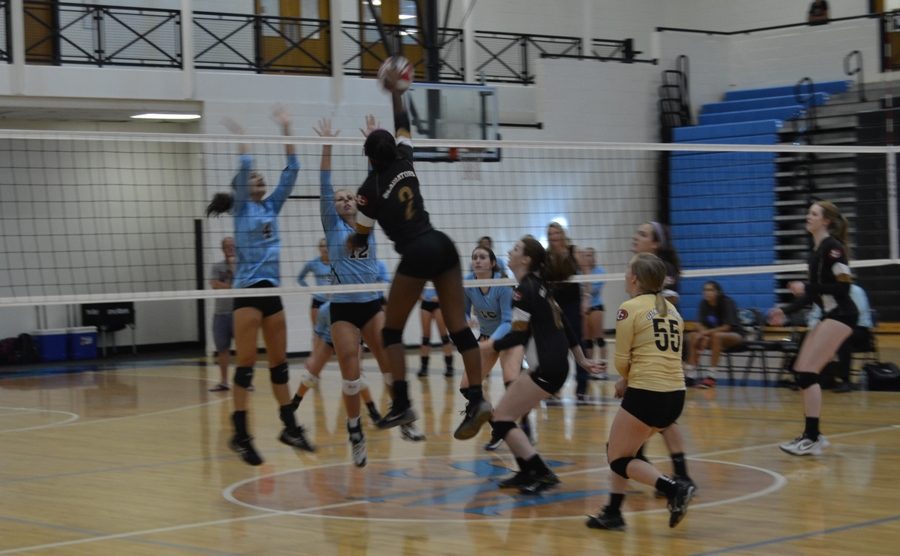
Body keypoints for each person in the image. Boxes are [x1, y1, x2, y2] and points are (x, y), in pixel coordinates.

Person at [351, 80, 491, 440]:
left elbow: (361, 235)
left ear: (369, 157)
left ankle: (402, 402)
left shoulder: (367, 190)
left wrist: (352, 236)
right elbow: (403, 125)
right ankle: (477, 398)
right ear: (390, 150)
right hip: (442, 243)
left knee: (391, 331)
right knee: (459, 328)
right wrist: (397, 91)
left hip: (416, 250)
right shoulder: (405, 160)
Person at [206, 107, 313, 466]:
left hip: (272, 292)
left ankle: (289, 426)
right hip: (248, 292)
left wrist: (287, 127)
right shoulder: (240, 210)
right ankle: (240, 434)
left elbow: (292, 171)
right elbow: (244, 167)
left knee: (280, 365)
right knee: (247, 365)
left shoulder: (271, 207)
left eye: (260, 177)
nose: (259, 179)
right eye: (253, 177)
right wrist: (244, 140)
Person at [309, 116, 408, 466]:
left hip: (371, 303)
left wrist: (373, 145)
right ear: (333, 207)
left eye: (350, 197)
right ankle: (355, 429)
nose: (347, 200)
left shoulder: (369, 218)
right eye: (341, 199)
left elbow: (377, 180)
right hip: (343, 309)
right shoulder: (332, 226)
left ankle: (401, 411)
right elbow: (324, 183)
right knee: (351, 367)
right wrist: (327, 146)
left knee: (388, 357)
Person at [586, 253, 695, 531]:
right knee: (621, 450)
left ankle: (673, 488)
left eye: (626, 269)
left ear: (634, 278)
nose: (624, 274)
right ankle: (612, 511)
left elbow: (621, 360)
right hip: (675, 395)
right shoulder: (672, 310)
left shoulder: (629, 308)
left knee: (619, 458)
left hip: (648, 393)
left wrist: (624, 379)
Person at [485, 236, 603, 493]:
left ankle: (540, 472)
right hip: (556, 367)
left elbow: (518, 335)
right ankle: (527, 471)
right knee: (505, 416)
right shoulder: (540, 286)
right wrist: (581, 360)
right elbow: (568, 327)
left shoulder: (523, 290)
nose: (509, 251)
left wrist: (487, 347)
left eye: (515, 249)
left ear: (525, 259)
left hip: (546, 369)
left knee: (501, 418)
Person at [768, 201, 857, 456]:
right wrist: (784, 311)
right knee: (803, 373)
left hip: (844, 313)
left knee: (807, 371)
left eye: (813, 214)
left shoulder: (834, 249)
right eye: (808, 213)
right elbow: (810, 297)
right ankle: (812, 434)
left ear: (826, 221)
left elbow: (844, 287)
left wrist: (808, 288)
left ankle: (812, 436)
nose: (808, 217)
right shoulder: (815, 252)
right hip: (831, 314)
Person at [631, 221, 696, 491]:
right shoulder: (645, 269)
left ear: (655, 244)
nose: (637, 237)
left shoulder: (663, 269)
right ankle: (644, 457)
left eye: (643, 234)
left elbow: (669, 303)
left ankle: (677, 474)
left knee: (660, 414)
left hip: (662, 347)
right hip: (653, 347)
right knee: (656, 414)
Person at [460, 245, 523, 450]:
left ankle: (522, 428)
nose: (477, 260)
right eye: (475, 257)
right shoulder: (469, 282)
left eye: (482, 257)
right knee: (467, 386)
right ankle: (497, 425)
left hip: (508, 338)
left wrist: (490, 344)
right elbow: (464, 312)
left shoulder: (502, 284)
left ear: (492, 263)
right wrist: (467, 320)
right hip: (487, 338)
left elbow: (506, 321)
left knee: (510, 382)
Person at [291, 301, 383, 425]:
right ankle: (293, 405)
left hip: (351, 342)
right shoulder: (324, 309)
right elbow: (318, 334)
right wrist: (313, 356)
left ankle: (373, 412)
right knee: (310, 376)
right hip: (329, 340)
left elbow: (363, 329)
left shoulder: (358, 304)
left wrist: (360, 352)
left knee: (358, 378)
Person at [545, 222, 590, 402]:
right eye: (550, 234)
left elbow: (587, 272)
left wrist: (586, 297)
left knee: (578, 343)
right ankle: (555, 388)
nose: (554, 236)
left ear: (562, 234)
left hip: (573, 303)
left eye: (556, 233)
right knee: (557, 346)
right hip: (554, 303)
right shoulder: (546, 256)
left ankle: (582, 388)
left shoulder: (573, 251)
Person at [806, 283, 874, 393]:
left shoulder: (855, 291)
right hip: (833, 328)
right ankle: (819, 378)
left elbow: (856, 315)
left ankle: (845, 380)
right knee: (810, 337)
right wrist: (815, 329)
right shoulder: (823, 292)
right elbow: (814, 315)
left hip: (858, 329)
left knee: (842, 339)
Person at [684, 281, 745, 389]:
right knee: (693, 336)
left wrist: (704, 333)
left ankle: (711, 377)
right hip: (712, 336)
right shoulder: (703, 303)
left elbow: (727, 327)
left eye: (710, 290)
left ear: (717, 292)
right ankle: (690, 376)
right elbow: (698, 323)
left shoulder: (727, 302)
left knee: (717, 336)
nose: (707, 292)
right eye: (705, 290)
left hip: (735, 336)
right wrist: (703, 335)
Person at [208, 236, 236, 392]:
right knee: (222, 349)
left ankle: (245, 381)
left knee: (244, 349)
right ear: (223, 249)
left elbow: (243, 285)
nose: (230, 248)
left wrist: (233, 269)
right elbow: (214, 284)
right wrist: (231, 287)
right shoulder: (216, 266)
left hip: (238, 312)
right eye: (227, 246)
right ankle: (224, 382)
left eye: (232, 246)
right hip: (220, 313)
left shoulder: (242, 266)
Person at [577, 246, 608, 376]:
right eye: (584, 255)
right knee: (587, 340)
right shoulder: (578, 272)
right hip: (584, 308)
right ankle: (591, 369)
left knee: (599, 338)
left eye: (589, 255)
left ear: (594, 257)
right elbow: (579, 290)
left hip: (596, 306)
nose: (586, 257)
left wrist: (587, 278)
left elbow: (593, 289)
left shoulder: (600, 271)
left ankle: (603, 369)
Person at [417, 286, 455, 378]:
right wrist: (420, 296)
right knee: (425, 338)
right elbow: (415, 285)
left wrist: (440, 298)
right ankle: (424, 367)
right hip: (426, 304)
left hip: (439, 303)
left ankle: (449, 367)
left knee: (444, 336)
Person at [297, 238, 333, 327]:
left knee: (334, 331)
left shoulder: (337, 263)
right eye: (322, 246)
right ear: (319, 248)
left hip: (335, 301)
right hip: (318, 300)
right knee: (317, 331)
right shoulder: (313, 263)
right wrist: (311, 290)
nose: (325, 248)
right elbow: (300, 278)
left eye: (327, 246)